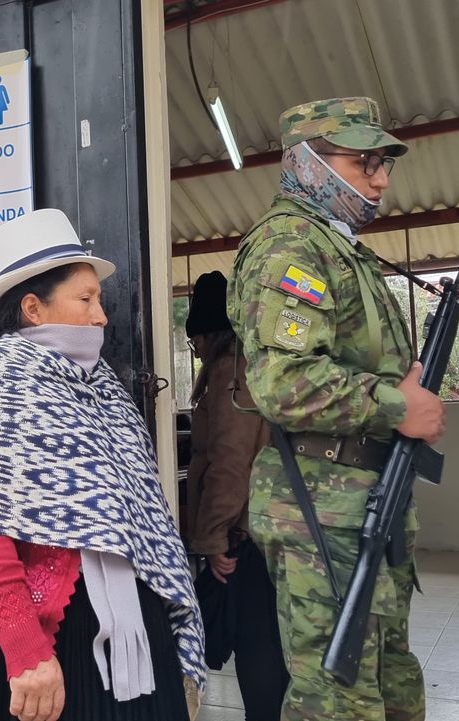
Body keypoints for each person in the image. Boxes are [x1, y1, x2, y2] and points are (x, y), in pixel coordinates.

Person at [0, 208, 206, 721]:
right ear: (34, 309)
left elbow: (139, 513)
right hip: (25, 631)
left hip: (119, 616)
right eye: (86, 300)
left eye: (99, 300)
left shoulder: (102, 389)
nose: (101, 317)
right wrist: (26, 651)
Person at [227, 98, 447, 721]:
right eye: (365, 161)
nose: (381, 179)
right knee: (339, 697)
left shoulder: (341, 247)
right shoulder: (292, 245)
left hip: (360, 493)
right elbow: (283, 381)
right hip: (317, 501)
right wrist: (395, 406)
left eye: (385, 164)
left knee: (388, 677)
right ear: (308, 164)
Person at [183, 271, 288, 720]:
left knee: (256, 643)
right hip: (268, 523)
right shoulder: (256, 363)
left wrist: (214, 538)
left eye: (196, 343)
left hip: (248, 533)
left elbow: (229, 460)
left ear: (209, 334)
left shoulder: (230, 369)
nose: (198, 352)